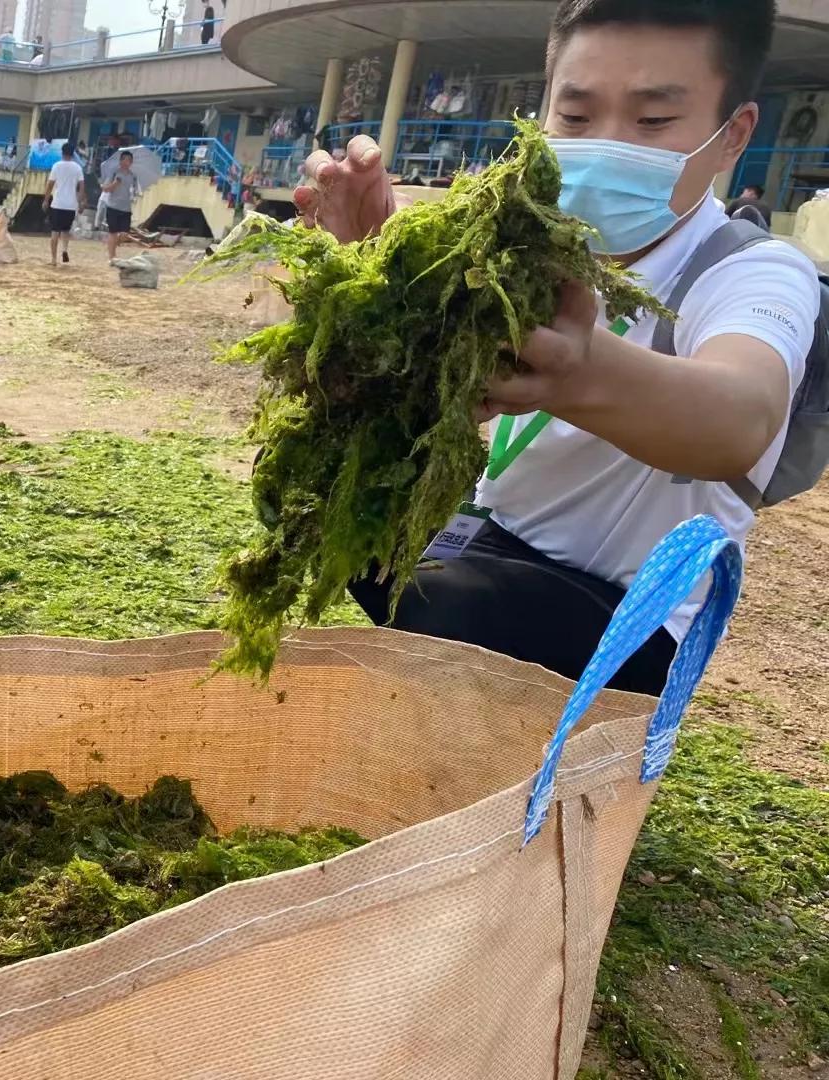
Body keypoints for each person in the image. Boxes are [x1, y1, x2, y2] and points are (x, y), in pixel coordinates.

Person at [295, 0, 819, 695]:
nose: (606, 144)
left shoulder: (753, 270)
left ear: (734, 136)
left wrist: (578, 370)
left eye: (653, 120)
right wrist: (383, 271)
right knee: (320, 501)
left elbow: (742, 416)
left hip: (622, 618)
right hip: (487, 542)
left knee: (458, 607)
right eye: (574, 116)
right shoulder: (526, 240)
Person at [43, 141, 84, 265]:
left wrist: (46, 200)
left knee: (55, 232)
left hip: (58, 203)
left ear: (62, 152)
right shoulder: (77, 168)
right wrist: (80, 203)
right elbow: (81, 187)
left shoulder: (56, 166)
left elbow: (50, 184)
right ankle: (64, 250)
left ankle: (54, 259)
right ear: (73, 154)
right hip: (71, 205)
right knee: (65, 230)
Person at [103, 149, 139, 261]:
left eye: (129, 160)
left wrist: (135, 194)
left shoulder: (133, 176)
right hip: (113, 206)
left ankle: (112, 245)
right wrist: (115, 183)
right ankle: (112, 257)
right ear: (120, 161)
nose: (126, 162)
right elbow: (106, 189)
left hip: (126, 208)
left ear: (131, 162)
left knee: (124, 234)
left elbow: (135, 191)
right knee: (113, 232)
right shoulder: (114, 173)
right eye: (124, 159)